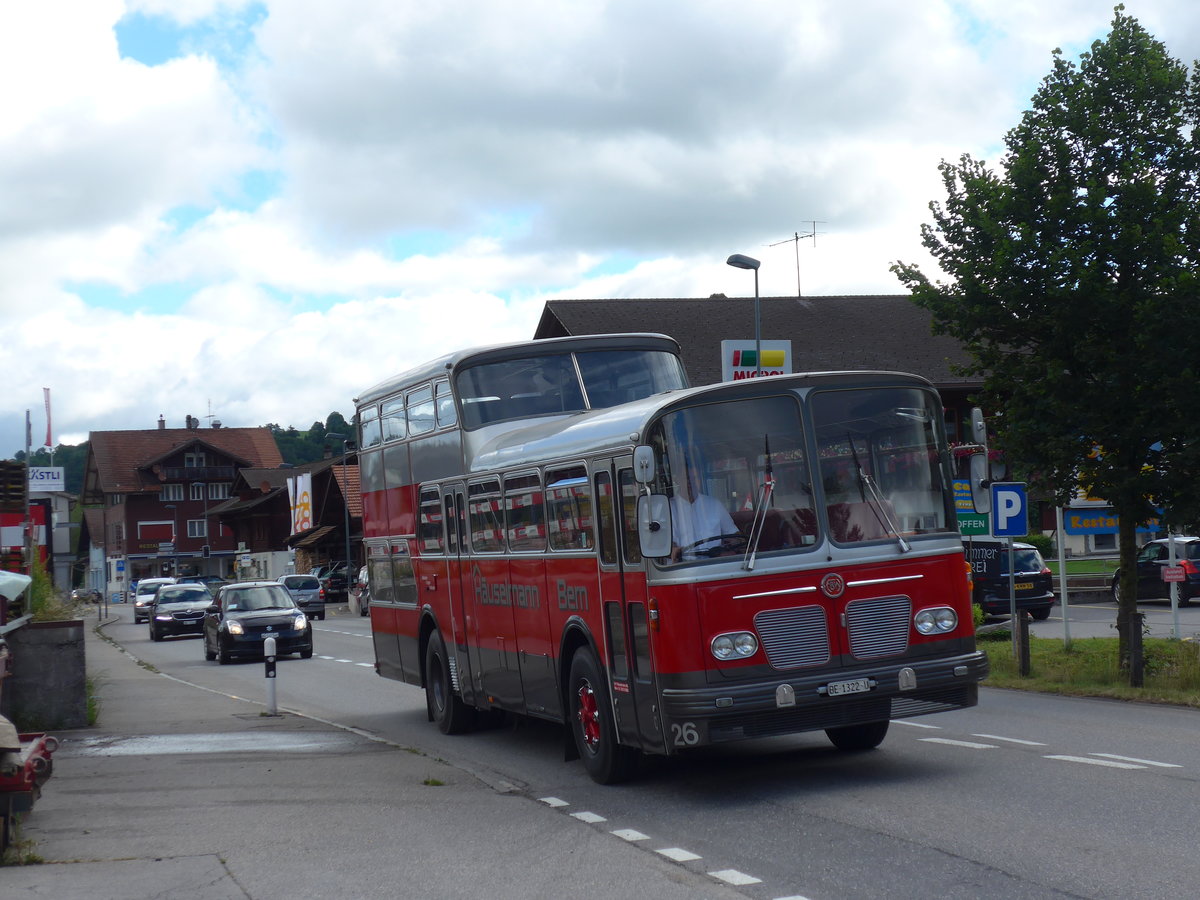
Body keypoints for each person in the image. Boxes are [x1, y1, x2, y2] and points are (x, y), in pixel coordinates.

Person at [670, 461, 737, 560]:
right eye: (687, 478)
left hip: (715, 563)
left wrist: (737, 542)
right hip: (682, 566)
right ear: (677, 480)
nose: (691, 482)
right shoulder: (668, 507)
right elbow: (663, 543)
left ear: (700, 479)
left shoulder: (715, 504)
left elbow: (733, 534)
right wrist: (673, 549)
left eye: (695, 478)